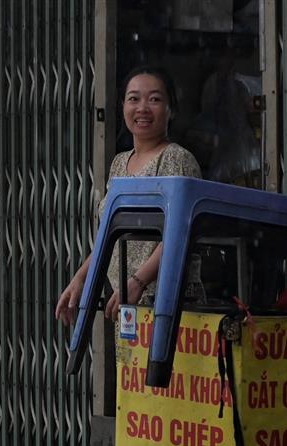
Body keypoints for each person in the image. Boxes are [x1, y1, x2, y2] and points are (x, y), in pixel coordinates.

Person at [54, 66, 201, 326]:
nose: (142, 108)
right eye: (134, 98)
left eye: (154, 99)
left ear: (171, 108)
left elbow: (182, 232)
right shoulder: (120, 163)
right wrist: (79, 280)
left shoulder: (178, 159)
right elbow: (109, 234)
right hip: (128, 301)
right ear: (122, 106)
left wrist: (138, 282)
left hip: (169, 302)